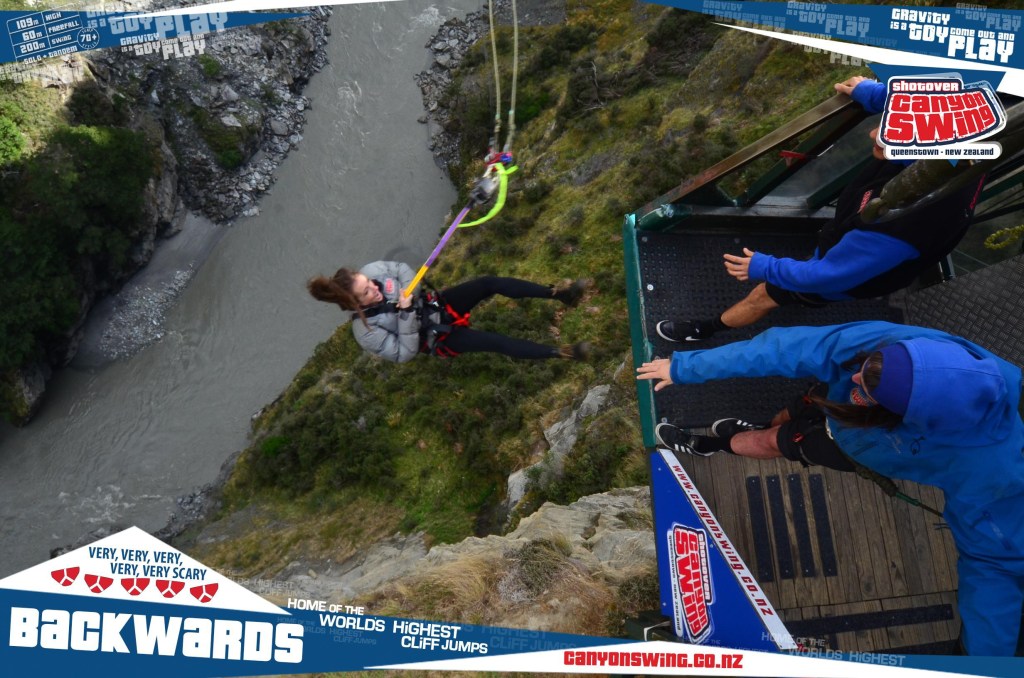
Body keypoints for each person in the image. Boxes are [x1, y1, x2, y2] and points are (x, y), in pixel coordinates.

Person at [636, 320, 1024, 655]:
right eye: (868, 368)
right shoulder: (898, 348)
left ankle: (714, 446)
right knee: (789, 415)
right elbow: (787, 347)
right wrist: (685, 367)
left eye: (870, 385)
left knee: (776, 444)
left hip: (848, 444)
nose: (856, 377)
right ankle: (762, 429)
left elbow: (994, 561)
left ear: (912, 419)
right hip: (841, 411)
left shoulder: (994, 472)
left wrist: (982, 661)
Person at [655, 77, 985, 342]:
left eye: (887, 135)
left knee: (766, 294)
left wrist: (764, 267)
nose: (872, 133)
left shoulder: (895, 230)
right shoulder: (956, 155)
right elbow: (931, 106)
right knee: (829, 255)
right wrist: (872, 94)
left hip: (851, 271)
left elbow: (826, 274)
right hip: (868, 231)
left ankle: (709, 329)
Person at [308, 260, 591, 362]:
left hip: (435, 304)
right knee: (494, 342)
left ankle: (559, 294)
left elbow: (402, 270)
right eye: (367, 291)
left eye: (369, 282)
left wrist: (409, 292)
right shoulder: (366, 331)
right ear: (356, 303)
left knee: (488, 283)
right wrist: (405, 315)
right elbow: (403, 353)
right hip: (438, 337)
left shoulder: (373, 271)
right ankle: (563, 353)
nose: (374, 287)